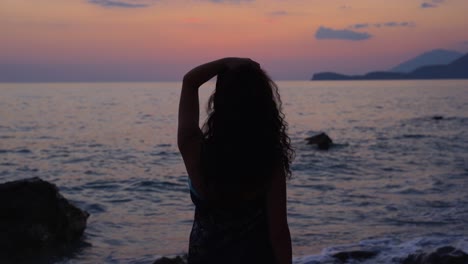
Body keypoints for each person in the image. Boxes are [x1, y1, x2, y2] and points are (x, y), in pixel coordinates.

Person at [177, 57, 294, 264]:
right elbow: (279, 233)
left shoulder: (194, 149)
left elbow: (190, 81)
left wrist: (228, 62)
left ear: (219, 102)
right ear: (263, 106)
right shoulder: (268, 161)